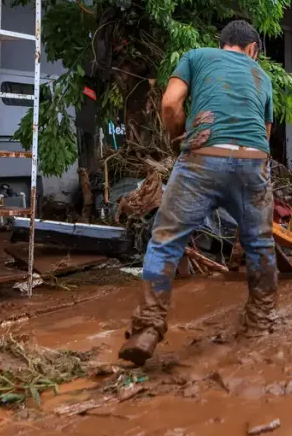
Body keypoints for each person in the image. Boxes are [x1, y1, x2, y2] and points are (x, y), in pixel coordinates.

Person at [118, 20, 277, 366]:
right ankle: (260, 325)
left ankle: (148, 328)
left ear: (222, 44)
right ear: (253, 50)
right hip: (253, 162)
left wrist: (178, 137)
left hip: (202, 159)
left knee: (165, 241)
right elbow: (264, 135)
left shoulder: (195, 56)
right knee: (260, 243)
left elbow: (170, 105)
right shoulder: (262, 77)